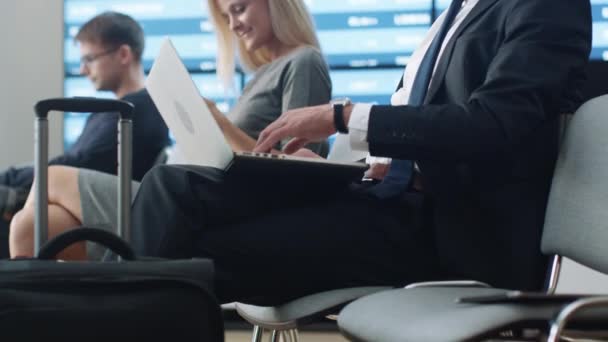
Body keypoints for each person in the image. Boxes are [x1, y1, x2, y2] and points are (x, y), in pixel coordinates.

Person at [113, 0, 591, 305]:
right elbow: (423, 133)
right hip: (387, 197)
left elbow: (493, 123)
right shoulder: (454, 14)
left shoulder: (547, 6)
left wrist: (345, 118)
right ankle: (103, 313)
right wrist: (359, 163)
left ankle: (98, 314)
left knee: (195, 255)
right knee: (172, 185)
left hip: (448, 231)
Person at [9, 0, 331, 260]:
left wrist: (216, 122)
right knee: (30, 227)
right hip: (180, 190)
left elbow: (299, 172)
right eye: (226, 15)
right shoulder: (262, 74)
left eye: (240, 8)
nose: (233, 24)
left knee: (52, 178)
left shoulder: (303, 62)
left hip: (201, 205)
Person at [0, 11, 169, 257]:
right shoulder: (120, 111)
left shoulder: (133, 112)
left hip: (106, 225)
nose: (83, 70)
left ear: (123, 54)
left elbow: (78, 163)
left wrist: (11, 179)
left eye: (90, 59)